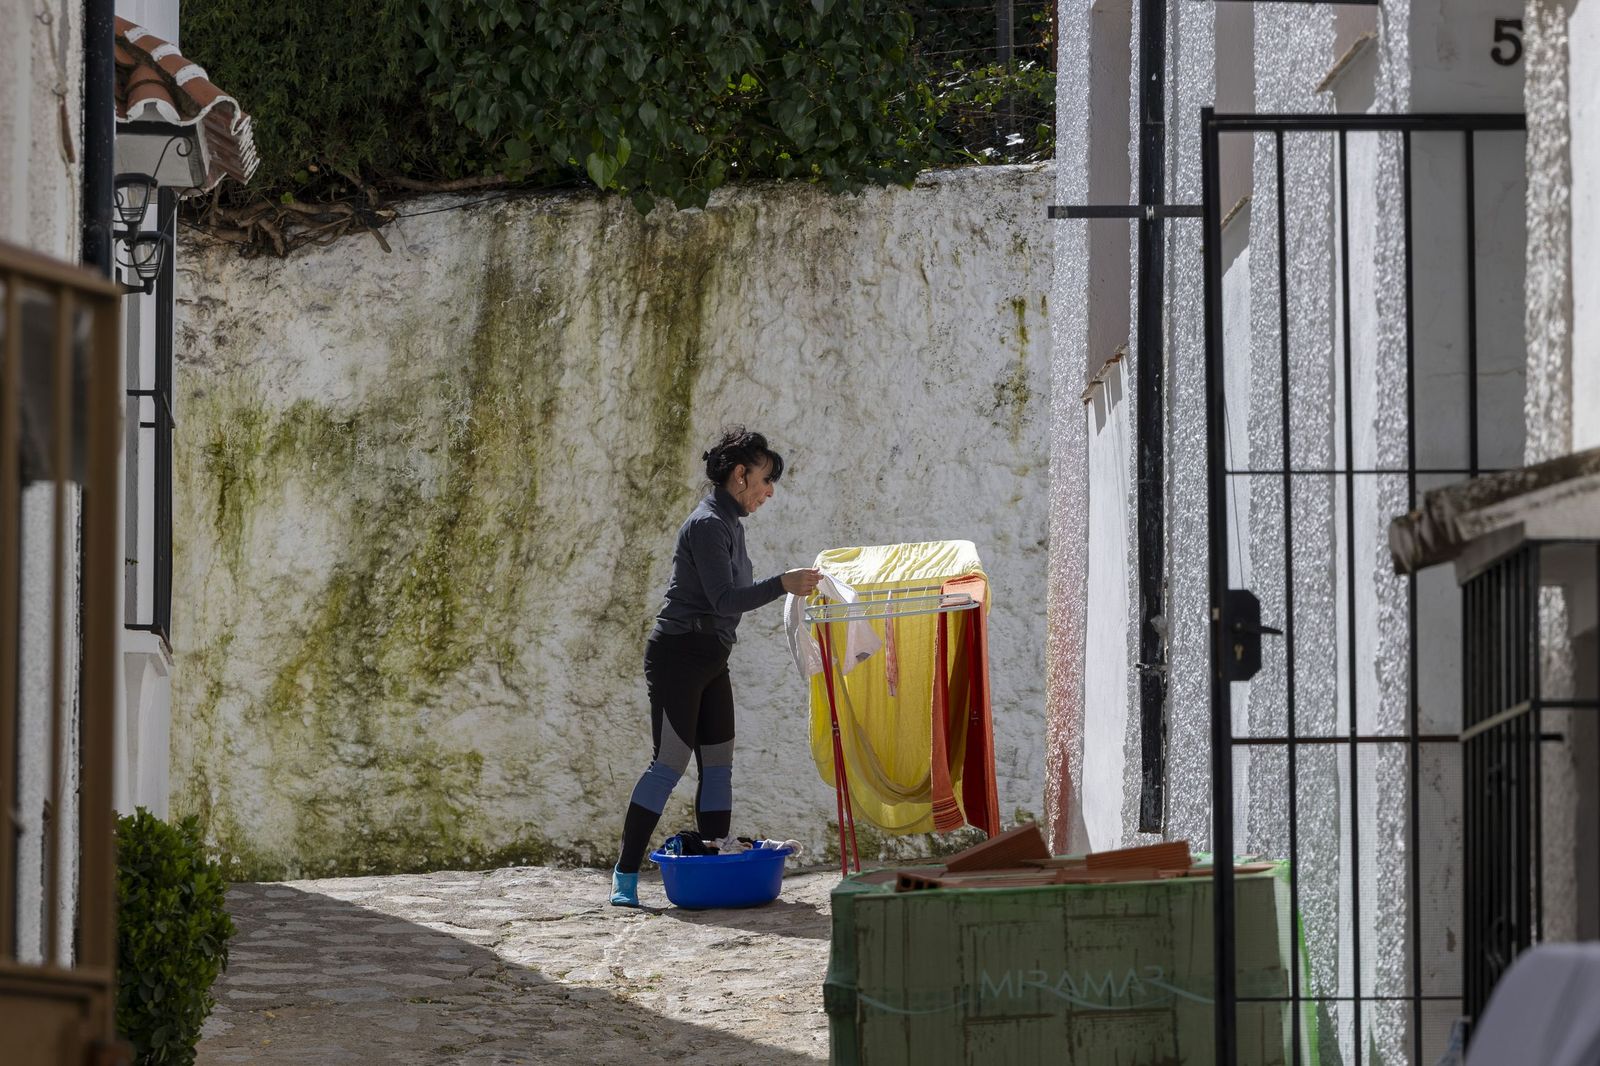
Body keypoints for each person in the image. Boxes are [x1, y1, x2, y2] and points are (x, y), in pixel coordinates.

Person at [610, 427, 821, 907]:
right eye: (766, 480)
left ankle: (714, 865)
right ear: (740, 474)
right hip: (679, 654)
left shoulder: (731, 525)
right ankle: (625, 876)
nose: (770, 492)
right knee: (668, 765)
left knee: (719, 765)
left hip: (711, 657)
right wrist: (783, 583)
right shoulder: (707, 524)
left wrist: (786, 585)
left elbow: (726, 603)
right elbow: (725, 599)